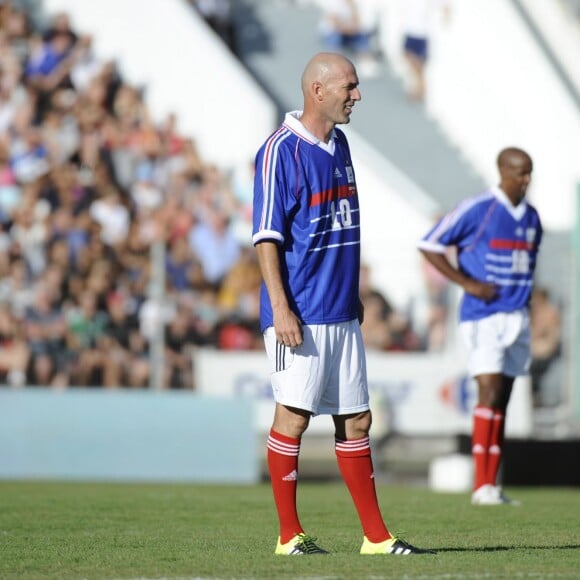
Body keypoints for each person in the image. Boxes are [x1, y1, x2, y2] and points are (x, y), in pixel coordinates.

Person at [252, 52, 433, 556]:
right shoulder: (279, 152)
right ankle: (289, 536)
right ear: (318, 91)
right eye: (349, 86)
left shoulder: (341, 144)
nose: (358, 95)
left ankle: (376, 538)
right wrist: (281, 308)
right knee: (293, 416)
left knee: (357, 420)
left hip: (341, 312)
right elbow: (266, 238)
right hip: (300, 313)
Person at [418, 147, 542, 506]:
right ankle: (481, 485)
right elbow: (429, 243)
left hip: (517, 315)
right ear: (503, 171)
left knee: (502, 397)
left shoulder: (532, 217)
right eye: (520, 172)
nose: (526, 180)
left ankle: (492, 484)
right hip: (483, 314)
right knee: (487, 390)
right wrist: (467, 283)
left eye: (530, 172)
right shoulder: (479, 209)